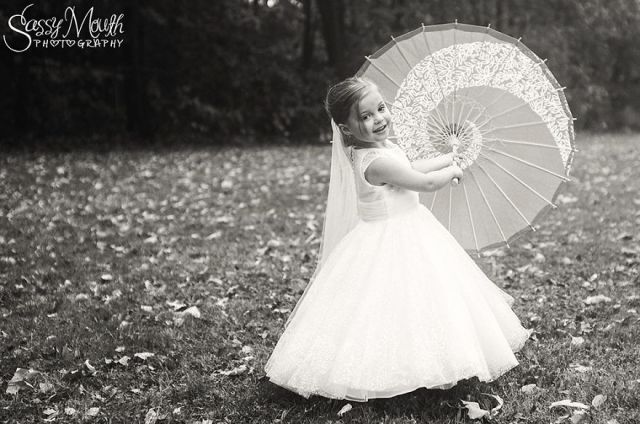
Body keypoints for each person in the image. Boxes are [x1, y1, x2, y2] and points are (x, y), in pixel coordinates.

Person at [264, 77, 531, 402]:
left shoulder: (382, 150)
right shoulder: (375, 162)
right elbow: (424, 183)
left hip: (409, 228)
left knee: (426, 298)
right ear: (346, 129)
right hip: (388, 238)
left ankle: (436, 357)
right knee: (389, 304)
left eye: (381, 108)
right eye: (366, 116)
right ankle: (394, 369)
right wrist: (452, 173)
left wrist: (447, 158)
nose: (379, 118)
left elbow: (411, 166)